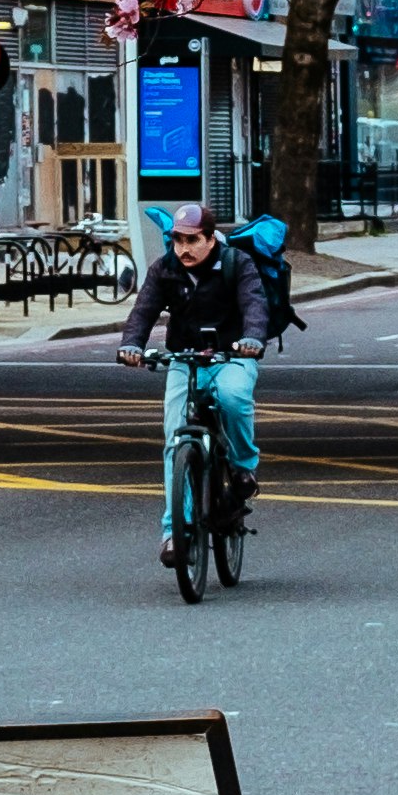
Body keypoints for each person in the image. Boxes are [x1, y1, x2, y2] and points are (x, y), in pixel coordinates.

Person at [116, 203, 296, 566]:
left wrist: (252, 340)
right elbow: (144, 310)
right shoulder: (165, 268)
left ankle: (244, 466)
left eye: (192, 240)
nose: (184, 248)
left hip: (232, 356)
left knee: (233, 398)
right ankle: (174, 533)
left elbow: (254, 305)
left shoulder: (236, 263)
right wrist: (131, 344)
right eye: (177, 240)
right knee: (175, 439)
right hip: (184, 359)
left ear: (211, 238)